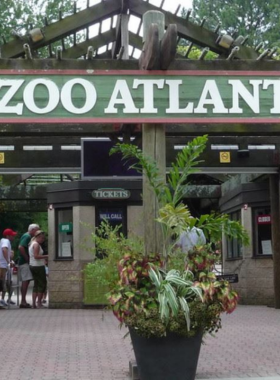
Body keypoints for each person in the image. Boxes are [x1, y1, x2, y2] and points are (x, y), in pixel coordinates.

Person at [18, 223, 39, 308]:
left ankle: (24, 301)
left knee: (26, 280)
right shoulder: (27, 236)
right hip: (24, 262)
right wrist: (27, 258)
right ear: (33, 230)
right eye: (37, 230)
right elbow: (21, 247)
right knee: (25, 280)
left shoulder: (28, 236)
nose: (38, 232)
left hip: (24, 262)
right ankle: (23, 302)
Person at [28, 230, 48, 308]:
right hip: (38, 266)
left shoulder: (32, 243)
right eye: (42, 238)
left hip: (32, 265)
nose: (43, 240)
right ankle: (39, 303)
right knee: (42, 284)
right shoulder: (36, 245)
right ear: (38, 237)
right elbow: (36, 256)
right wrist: (46, 256)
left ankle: (34, 304)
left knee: (36, 285)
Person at [0, 229, 17, 309]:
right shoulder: (6, 241)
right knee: (1, 283)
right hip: (2, 265)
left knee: (2, 283)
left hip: (3, 265)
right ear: (8, 236)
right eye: (12, 235)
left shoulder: (4, 241)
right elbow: (4, 250)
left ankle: (2, 300)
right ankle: (1, 301)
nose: (13, 237)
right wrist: (8, 261)